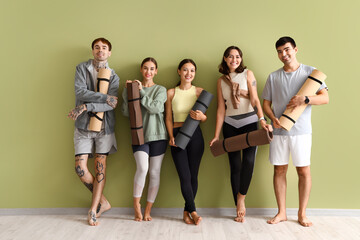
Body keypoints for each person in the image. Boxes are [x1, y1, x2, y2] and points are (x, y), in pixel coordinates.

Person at [262, 36, 329, 227]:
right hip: (279, 131)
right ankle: (281, 212)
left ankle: (302, 214)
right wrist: (271, 117)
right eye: (280, 51)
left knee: (303, 171)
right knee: (279, 170)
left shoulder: (311, 73)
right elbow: (266, 103)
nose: (284, 54)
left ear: (295, 49)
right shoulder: (273, 77)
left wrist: (305, 100)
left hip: (301, 132)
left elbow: (325, 98)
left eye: (287, 50)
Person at [209, 46, 273, 223]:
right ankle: (237, 205)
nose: (234, 59)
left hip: (250, 123)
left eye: (237, 56)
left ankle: (241, 198)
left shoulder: (247, 74)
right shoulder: (221, 81)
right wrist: (216, 136)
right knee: (234, 166)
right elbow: (221, 109)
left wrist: (262, 120)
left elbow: (254, 99)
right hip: (230, 126)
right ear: (225, 58)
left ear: (241, 59)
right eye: (230, 56)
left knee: (249, 162)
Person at [68, 37, 120, 226]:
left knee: (100, 168)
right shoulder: (82, 68)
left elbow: (112, 106)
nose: (100, 51)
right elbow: (79, 91)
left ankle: (93, 209)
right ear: (93, 51)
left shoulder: (114, 76)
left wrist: (87, 106)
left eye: (104, 48)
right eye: (97, 48)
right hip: (82, 126)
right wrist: (105, 97)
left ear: (109, 52)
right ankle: (103, 202)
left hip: (104, 128)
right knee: (80, 169)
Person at [121, 57, 168, 222]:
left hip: (159, 136)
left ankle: (148, 209)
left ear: (156, 71)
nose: (148, 72)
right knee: (142, 169)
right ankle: (136, 206)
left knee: (155, 173)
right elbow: (127, 113)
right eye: (146, 68)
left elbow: (155, 108)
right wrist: (129, 92)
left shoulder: (161, 90)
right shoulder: (133, 89)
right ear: (141, 70)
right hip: (139, 136)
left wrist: (140, 92)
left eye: (152, 68)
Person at [165, 59, 205, 225]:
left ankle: (187, 211)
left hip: (195, 135)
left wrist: (203, 117)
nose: (189, 74)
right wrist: (170, 135)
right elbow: (167, 117)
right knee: (184, 176)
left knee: (193, 176)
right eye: (185, 70)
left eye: (192, 71)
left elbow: (204, 117)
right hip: (177, 134)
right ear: (179, 71)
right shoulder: (171, 93)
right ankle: (193, 211)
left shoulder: (199, 92)